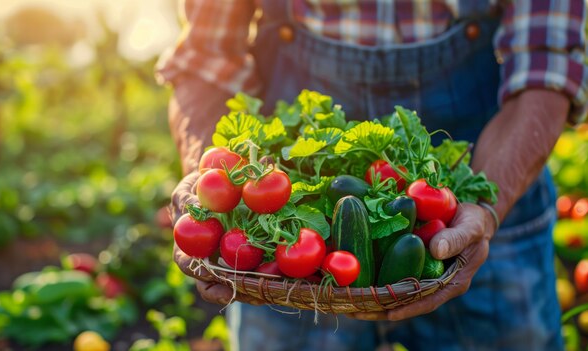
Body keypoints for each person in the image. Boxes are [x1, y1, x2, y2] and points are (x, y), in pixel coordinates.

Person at [157, 1, 587, 350]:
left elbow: (547, 68)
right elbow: (204, 59)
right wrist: (207, 178)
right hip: (284, 257)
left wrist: (487, 204)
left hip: (482, 187)